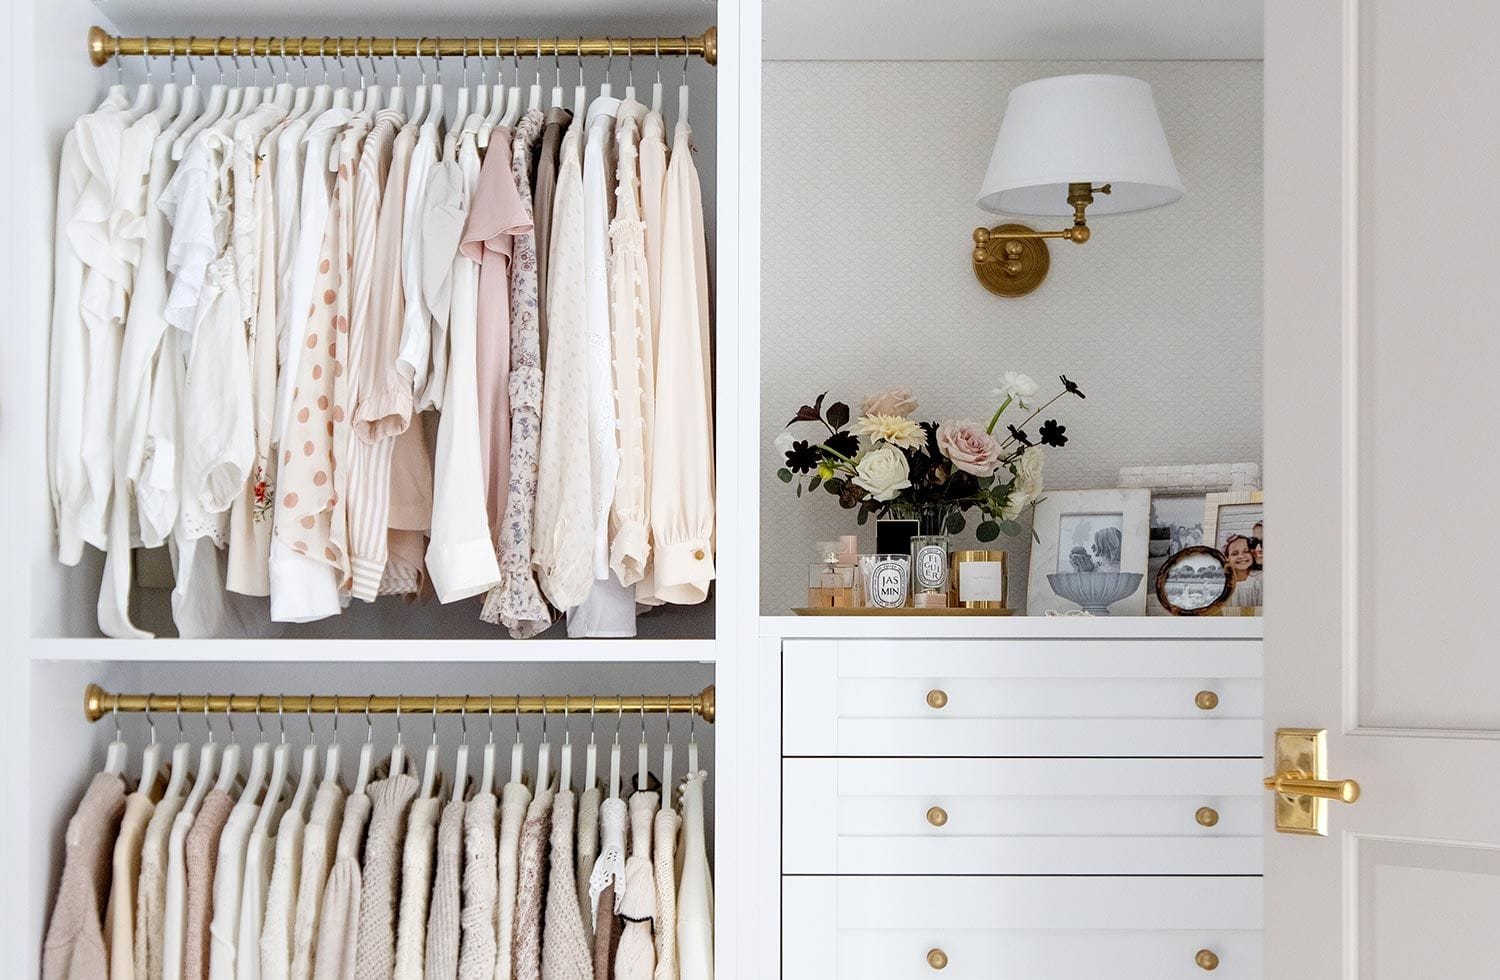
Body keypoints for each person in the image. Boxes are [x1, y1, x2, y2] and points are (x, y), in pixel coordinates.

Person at [1224, 534, 1263, 606]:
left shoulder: (1260, 579)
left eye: (1246, 551)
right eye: (1235, 553)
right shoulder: (1224, 584)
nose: (1241, 556)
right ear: (1227, 559)